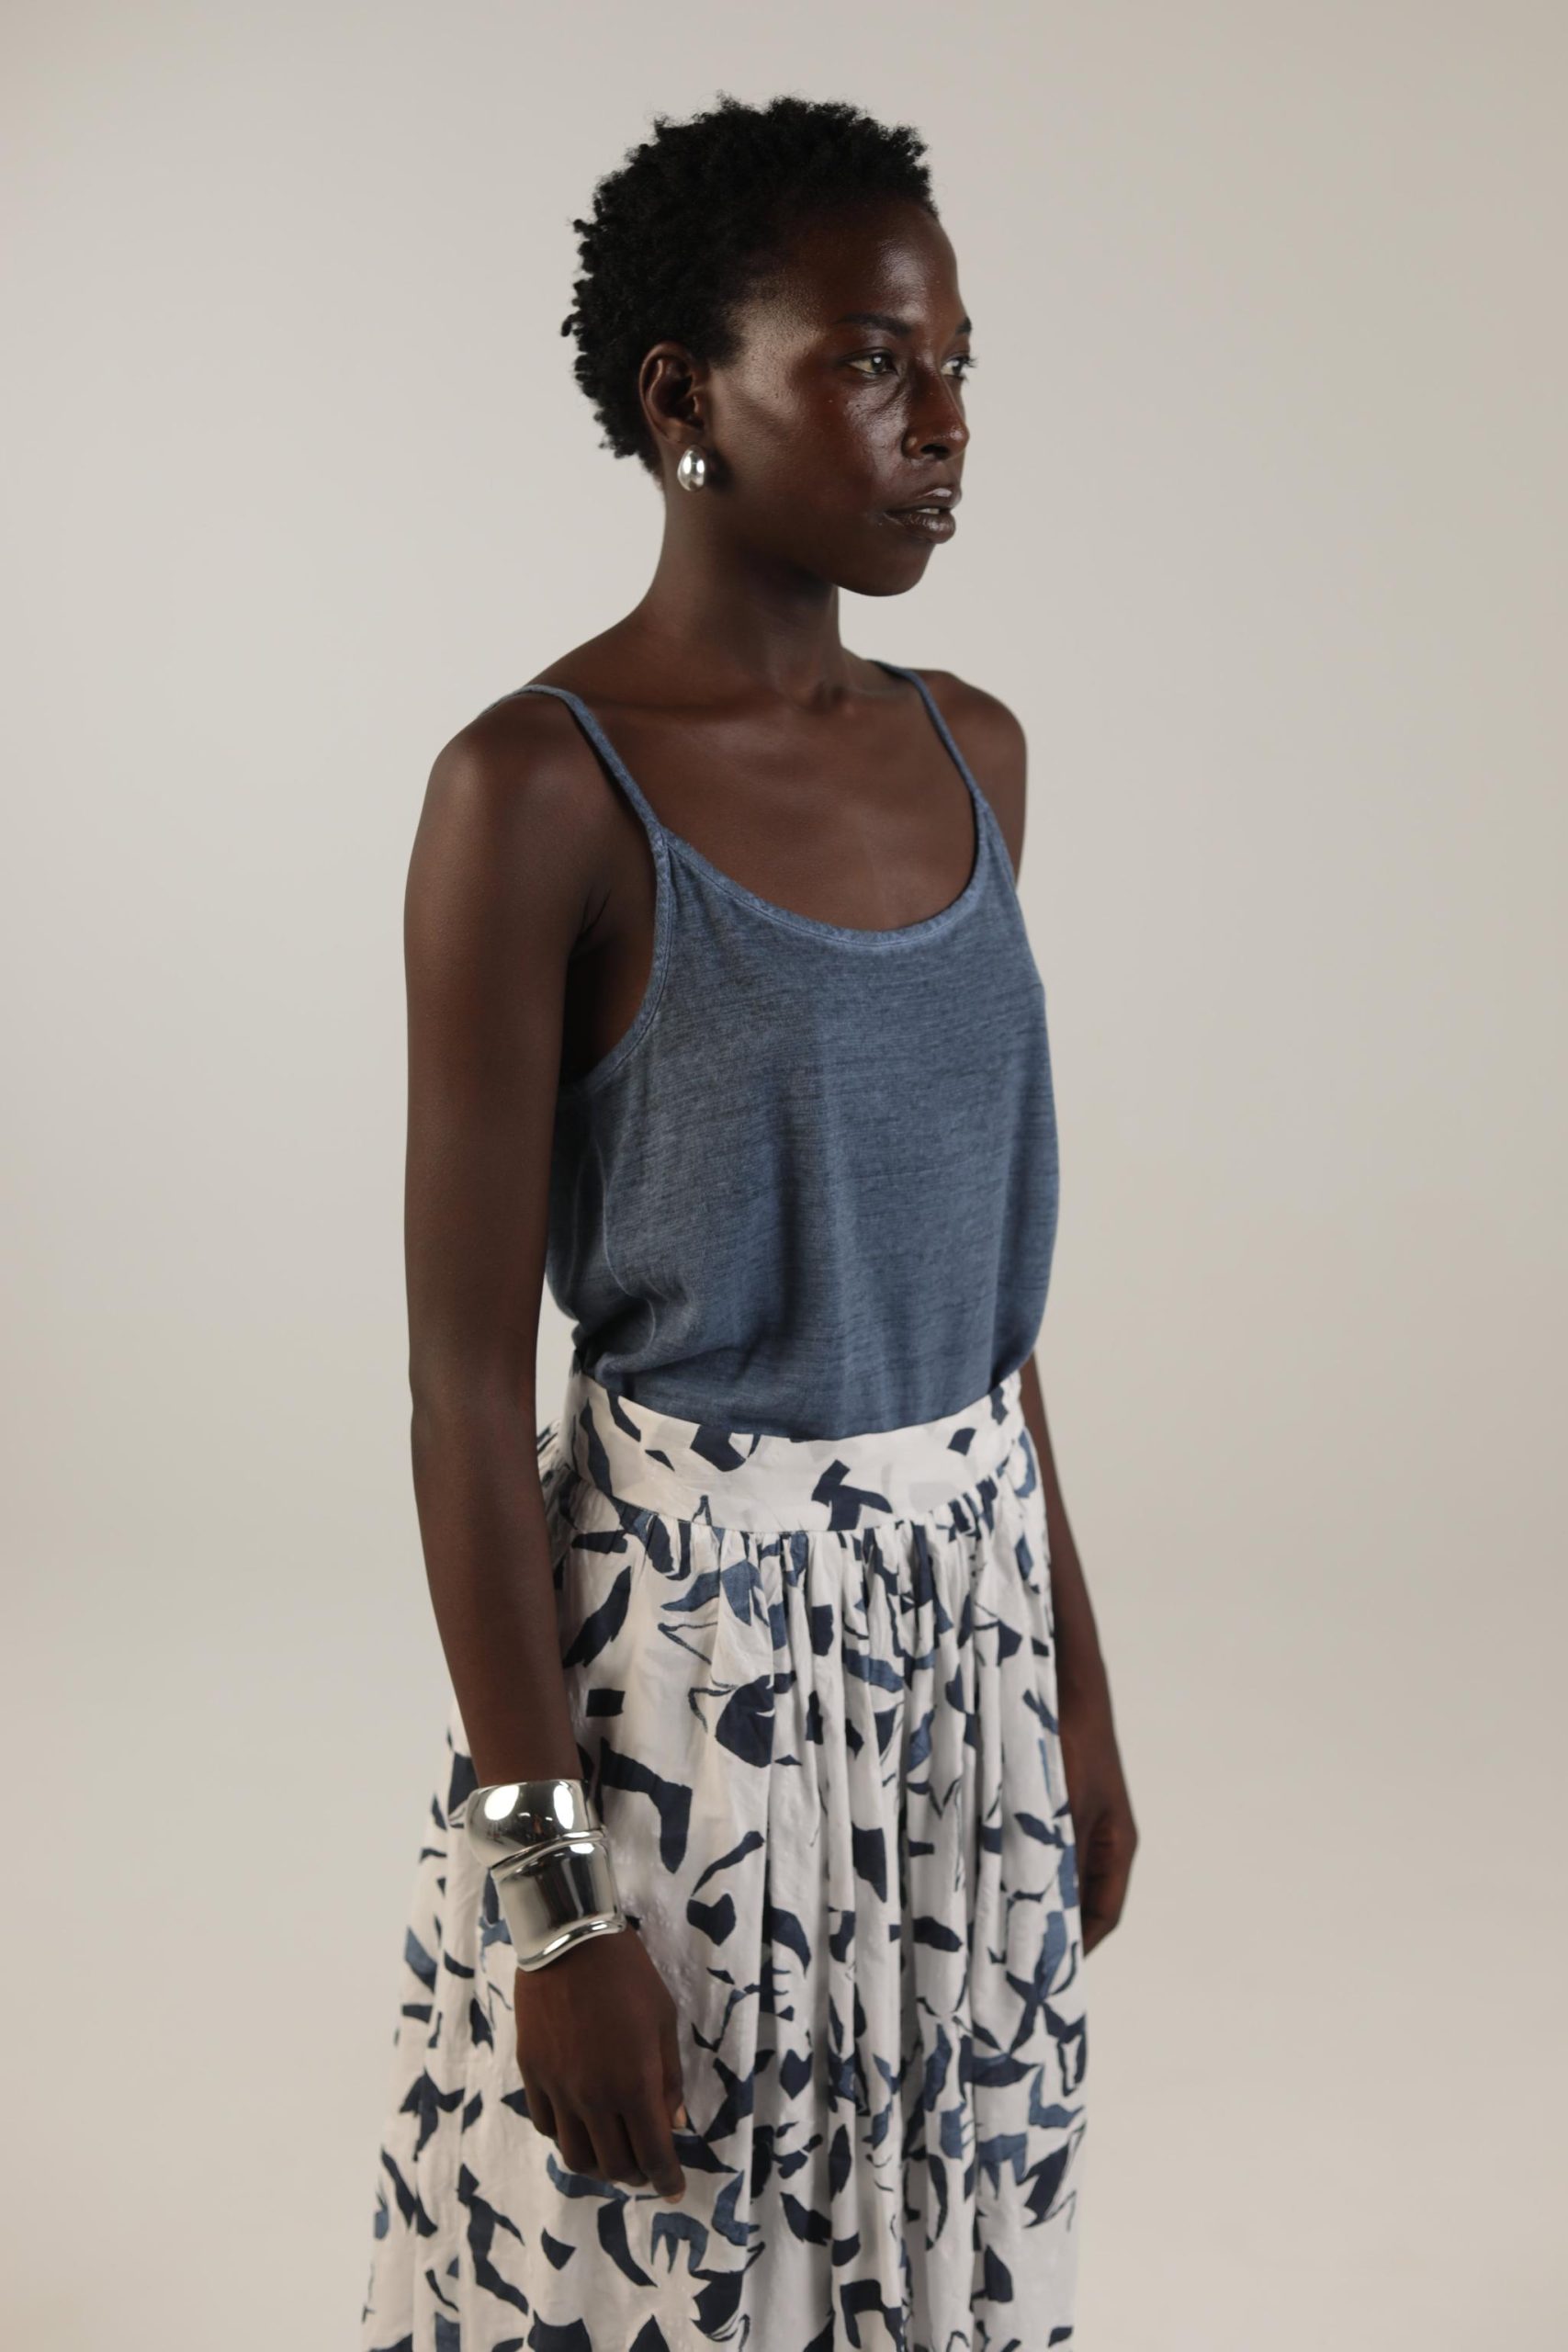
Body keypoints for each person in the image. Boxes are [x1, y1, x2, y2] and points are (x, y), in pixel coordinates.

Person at [359, 90, 1137, 2352]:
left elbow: (972, 1294)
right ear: (680, 393)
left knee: (933, 2248)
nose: (941, 425)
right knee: (657, 2265)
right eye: (873, 365)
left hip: (966, 1648)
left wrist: (1075, 1687)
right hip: (688, 1681)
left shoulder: (975, 752)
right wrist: (547, 1897)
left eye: (956, 364)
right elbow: (455, 1382)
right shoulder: (533, 788)